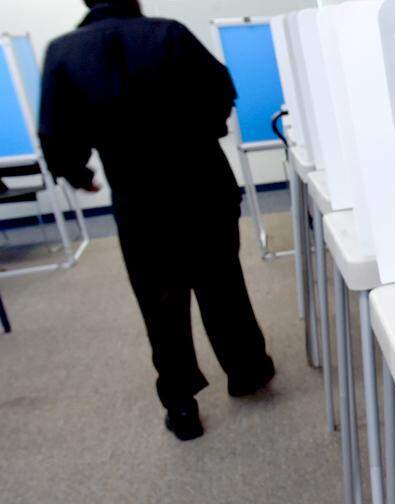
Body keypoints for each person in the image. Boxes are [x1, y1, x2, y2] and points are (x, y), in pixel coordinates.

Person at [39, 0, 275, 441]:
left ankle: (182, 405)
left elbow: (56, 130)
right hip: (202, 183)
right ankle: (248, 373)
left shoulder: (64, 51)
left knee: (160, 303)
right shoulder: (169, 33)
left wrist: (78, 172)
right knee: (222, 283)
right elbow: (221, 91)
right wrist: (203, 133)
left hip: (138, 198)